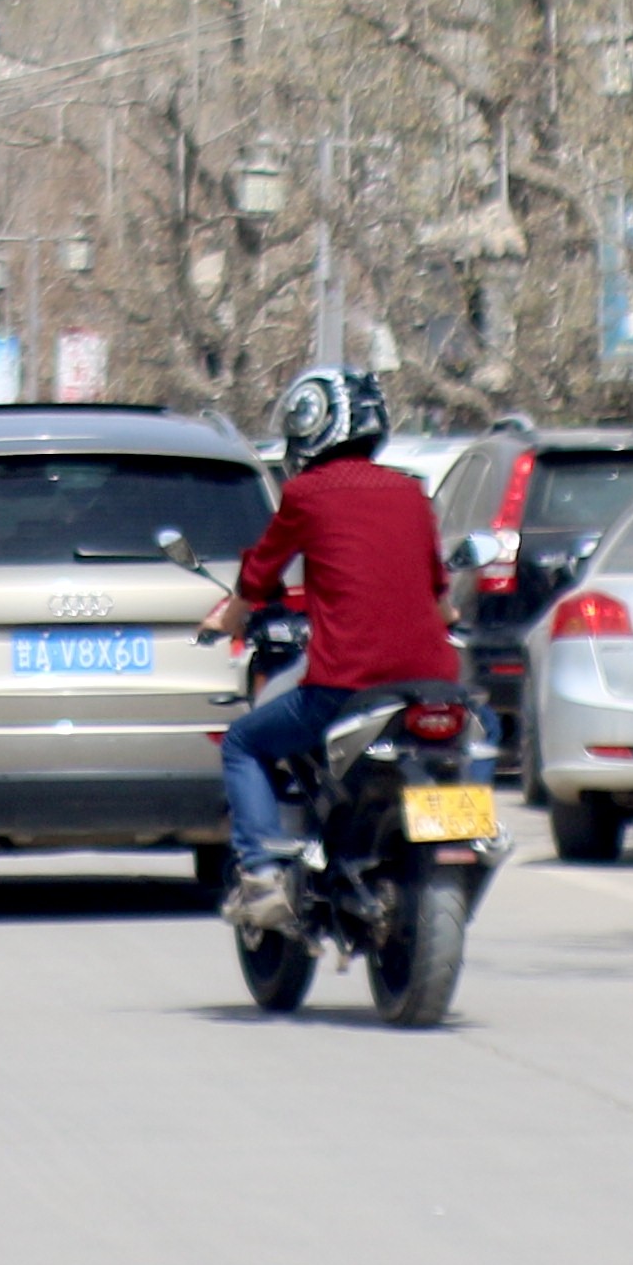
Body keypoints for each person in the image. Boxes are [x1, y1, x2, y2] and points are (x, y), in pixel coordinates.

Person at [200, 366, 461, 942]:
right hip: (433, 683)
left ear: (310, 428)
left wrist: (229, 614)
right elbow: (439, 598)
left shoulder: (306, 494)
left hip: (347, 684)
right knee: (475, 737)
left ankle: (264, 876)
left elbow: (260, 571)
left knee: (244, 742)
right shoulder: (412, 494)